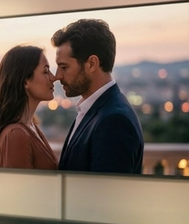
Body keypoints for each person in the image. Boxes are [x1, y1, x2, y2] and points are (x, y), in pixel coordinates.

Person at [52, 19, 143, 173]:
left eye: (64, 67)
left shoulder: (114, 121)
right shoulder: (97, 110)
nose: (57, 76)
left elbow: (106, 194)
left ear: (92, 64)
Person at [0, 45, 59, 170]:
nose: (53, 77)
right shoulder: (16, 135)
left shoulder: (30, 127)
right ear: (25, 82)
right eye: (45, 71)